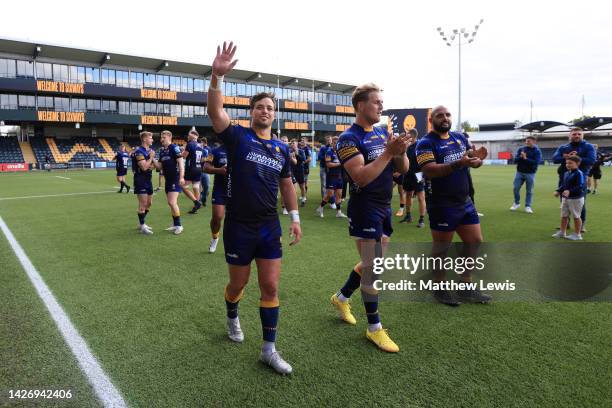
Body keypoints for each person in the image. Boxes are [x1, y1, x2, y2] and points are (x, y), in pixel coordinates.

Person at [208, 41, 302, 375]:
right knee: (238, 285)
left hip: (268, 226)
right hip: (238, 225)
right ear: (251, 112)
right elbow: (215, 113)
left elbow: (287, 185)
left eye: (269, 107)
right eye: (259, 106)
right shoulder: (237, 138)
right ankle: (232, 316)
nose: (265, 111)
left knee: (271, 288)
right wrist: (217, 77)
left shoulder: (279, 148)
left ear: (274, 114)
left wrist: (295, 218)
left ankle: (268, 350)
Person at [330, 83, 410, 353]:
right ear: (361, 105)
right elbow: (360, 176)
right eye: (376, 102)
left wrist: (400, 151)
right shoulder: (348, 139)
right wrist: (389, 152)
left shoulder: (379, 134)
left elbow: (404, 170)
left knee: (371, 264)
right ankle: (374, 328)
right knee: (373, 268)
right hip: (365, 207)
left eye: (381, 102)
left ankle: (341, 297)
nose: (381, 107)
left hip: (384, 206)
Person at [416, 106, 491, 306]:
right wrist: (460, 163)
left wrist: (477, 161)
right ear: (432, 119)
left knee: (474, 241)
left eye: (448, 115)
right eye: (440, 115)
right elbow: (429, 170)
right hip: (441, 203)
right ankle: (439, 287)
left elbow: (471, 160)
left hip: (464, 201)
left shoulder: (460, 138)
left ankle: (465, 285)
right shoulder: (425, 143)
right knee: (442, 248)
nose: (445, 118)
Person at [552, 127, 595, 231]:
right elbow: (554, 159)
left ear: (583, 135)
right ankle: (565, 224)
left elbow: (592, 160)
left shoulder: (588, 146)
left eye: (579, 134)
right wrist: (566, 157)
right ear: (570, 135)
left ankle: (581, 225)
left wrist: (577, 157)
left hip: (580, 178)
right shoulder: (563, 147)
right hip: (564, 178)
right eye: (574, 134)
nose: (577, 136)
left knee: (580, 202)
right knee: (564, 202)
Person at [154, 130, 185, 235]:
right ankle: (175, 224)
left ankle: (179, 225)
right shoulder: (162, 151)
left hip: (175, 179)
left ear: (169, 137)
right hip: (168, 179)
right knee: (170, 203)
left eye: (164, 137)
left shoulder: (174, 148)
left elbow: (181, 164)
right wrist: (152, 158)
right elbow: (159, 166)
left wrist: (181, 177)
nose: (161, 139)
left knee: (172, 202)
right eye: (161, 137)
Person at [552, 156, 585, 240]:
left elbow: (580, 186)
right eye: (567, 163)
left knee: (576, 216)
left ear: (578, 163)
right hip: (566, 198)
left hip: (576, 198)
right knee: (564, 215)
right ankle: (562, 232)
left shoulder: (579, 173)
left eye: (570, 163)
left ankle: (578, 235)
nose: (568, 165)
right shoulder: (567, 173)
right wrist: (558, 191)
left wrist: (570, 191)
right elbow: (564, 185)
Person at [204, 141, 229, 253]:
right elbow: (206, 167)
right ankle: (215, 237)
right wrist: (219, 170)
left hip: (238, 190)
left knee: (236, 219)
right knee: (217, 217)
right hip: (220, 189)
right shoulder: (215, 151)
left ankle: (234, 242)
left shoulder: (242, 149)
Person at [400, 128, 426, 227]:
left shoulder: (420, 145)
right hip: (408, 173)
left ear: (412, 136)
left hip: (418, 174)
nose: (406, 136)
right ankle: (408, 216)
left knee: (421, 197)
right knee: (408, 195)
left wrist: (423, 175)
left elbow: (424, 161)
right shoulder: (407, 146)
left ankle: (421, 220)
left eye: (407, 135)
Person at [131, 131, 156, 235]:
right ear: (145, 139)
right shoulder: (139, 151)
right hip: (140, 179)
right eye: (150, 138)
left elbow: (152, 166)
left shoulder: (150, 150)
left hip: (148, 179)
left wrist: (151, 163)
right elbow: (144, 167)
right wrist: (150, 158)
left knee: (149, 203)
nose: (152, 140)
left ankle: (141, 222)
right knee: (143, 204)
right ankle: (142, 225)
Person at [510, 135, 542, 213]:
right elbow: (515, 161)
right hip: (519, 172)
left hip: (530, 173)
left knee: (529, 191)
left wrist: (525, 158)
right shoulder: (521, 149)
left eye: (529, 141)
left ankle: (528, 206)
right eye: (526, 141)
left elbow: (536, 162)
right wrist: (520, 157)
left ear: (534, 142)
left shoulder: (537, 151)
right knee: (515, 188)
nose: (527, 142)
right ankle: (516, 203)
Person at [316, 136, 347, 218]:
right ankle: (320, 208)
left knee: (339, 195)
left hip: (339, 176)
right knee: (329, 194)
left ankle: (339, 212)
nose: (336, 144)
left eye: (337, 143)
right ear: (332, 143)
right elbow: (328, 164)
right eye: (334, 142)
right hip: (331, 176)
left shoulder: (340, 152)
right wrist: (340, 163)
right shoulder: (329, 152)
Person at [182, 130, 205, 214]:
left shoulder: (190, 144)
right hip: (198, 168)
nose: (188, 136)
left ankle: (196, 202)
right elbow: (202, 159)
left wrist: (181, 153)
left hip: (191, 168)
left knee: (184, 187)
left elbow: (184, 156)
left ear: (194, 135)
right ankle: (195, 207)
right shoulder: (200, 146)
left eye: (189, 134)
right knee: (195, 187)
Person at [289, 139, 307, 206]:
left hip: (300, 170)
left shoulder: (301, 151)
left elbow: (304, 160)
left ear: (297, 144)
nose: (293, 144)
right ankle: (293, 202)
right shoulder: (289, 151)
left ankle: (303, 199)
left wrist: (297, 154)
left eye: (294, 143)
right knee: (293, 188)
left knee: (302, 186)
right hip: (292, 171)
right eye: (292, 143)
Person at [200, 136, 211, 205]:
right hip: (199, 169)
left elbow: (210, 159)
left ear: (204, 142)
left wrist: (205, 159)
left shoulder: (209, 149)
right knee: (197, 186)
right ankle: (198, 202)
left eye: (201, 142)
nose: (200, 143)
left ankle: (203, 198)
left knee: (206, 186)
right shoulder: (198, 149)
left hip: (205, 170)